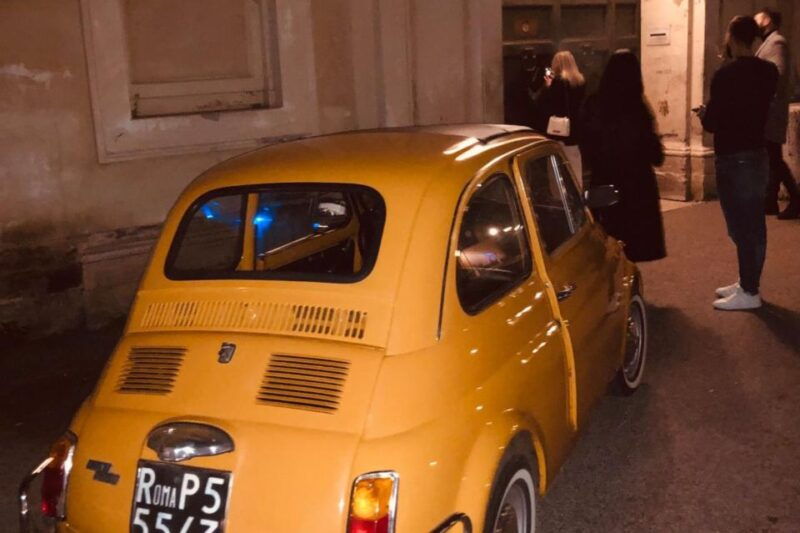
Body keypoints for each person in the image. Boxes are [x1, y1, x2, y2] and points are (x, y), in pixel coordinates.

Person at [698, 15, 778, 311]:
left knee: (741, 225)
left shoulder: (725, 74)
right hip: (757, 153)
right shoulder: (769, 72)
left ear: (732, 37)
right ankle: (747, 281)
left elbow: (715, 122)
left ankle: (750, 290)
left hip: (733, 156)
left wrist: (705, 113)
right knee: (752, 223)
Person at [581, 50, 666, 262]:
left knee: (605, 238)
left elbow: (586, 142)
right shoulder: (638, 108)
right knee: (633, 242)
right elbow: (653, 152)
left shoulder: (594, 103)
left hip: (604, 181)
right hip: (635, 184)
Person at [754, 7, 800, 219]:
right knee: (771, 155)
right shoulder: (769, 42)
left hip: (770, 109)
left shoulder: (777, 42)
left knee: (773, 156)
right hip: (768, 108)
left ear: (768, 20)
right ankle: (770, 200)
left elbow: (777, 74)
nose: (755, 21)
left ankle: (796, 197)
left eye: (759, 17)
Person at [531, 51, 586, 185]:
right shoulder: (580, 82)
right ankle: (577, 192)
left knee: (556, 168)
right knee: (575, 166)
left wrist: (547, 86)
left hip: (558, 132)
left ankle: (559, 197)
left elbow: (543, 104)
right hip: (574, 132)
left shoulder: (557, 82)